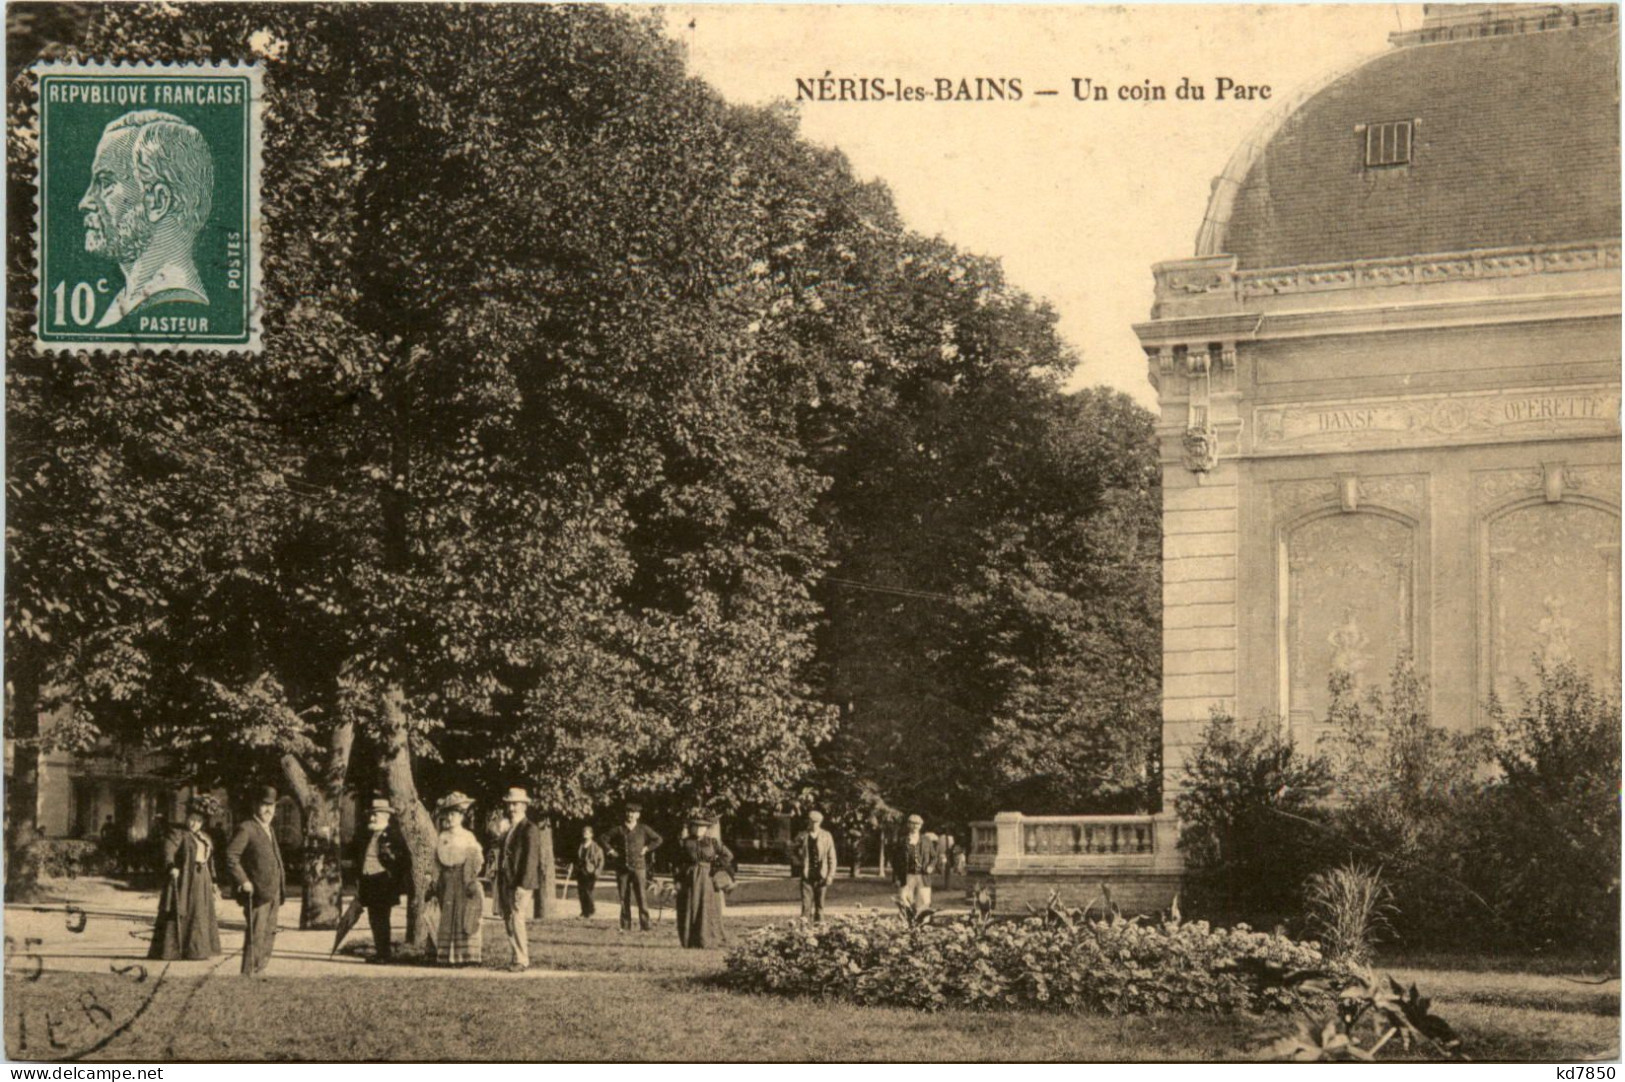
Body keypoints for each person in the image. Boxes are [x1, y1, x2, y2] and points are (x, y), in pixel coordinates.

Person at [77, 111, 214, 329]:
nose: (85, 203)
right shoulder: (127, 303)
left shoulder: (175, 303)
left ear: (157, 202)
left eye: (105, 183)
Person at [149, 796, 221, 960]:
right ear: (187, 818)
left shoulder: (204, 837)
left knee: (200, 913)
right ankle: (174, 950)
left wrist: (214, 881)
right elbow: (168, 850)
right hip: (185, 879)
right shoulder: (178, 833)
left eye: (198, 821)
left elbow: (210, 861)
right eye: (191, 819)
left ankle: (198, 950)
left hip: (202, 878)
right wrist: (171, 866)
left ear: (202, 823)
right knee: (183, 910)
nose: (193, 824)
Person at [225, 786, 285, 976]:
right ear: (255, 805)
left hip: (274, 889)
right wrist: (243, 881)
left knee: (270, 932)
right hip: (257, 891)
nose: (269, 810)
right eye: (264, 805)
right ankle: (248, 973)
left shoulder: (270, 829)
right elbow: (230, 856)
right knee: (256, 933)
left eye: (272, 806)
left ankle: (260, 970)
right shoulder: (247, 827)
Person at [351, 798, 409, 963]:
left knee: (382, 918)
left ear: (386, 816)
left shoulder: (393, 835)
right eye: (372, 815)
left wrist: (393, 879)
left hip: (383, 882)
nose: (372, 818)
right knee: (373, 918)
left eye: (376, 815)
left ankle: (384, 954)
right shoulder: (368, 835)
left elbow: (403, 861)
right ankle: (380, 952)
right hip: (369, 881)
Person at [430, 792, 485, 966]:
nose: (451, 817)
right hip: (446, 880)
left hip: (463, 878)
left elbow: (476, 857)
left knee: (464, 915)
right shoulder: (443, 836)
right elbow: (436, 860)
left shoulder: (468, 837)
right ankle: (447, 955)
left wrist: (470, 878)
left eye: (455, 814)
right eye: (448, 814)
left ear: (461, 816)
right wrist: (434, 879)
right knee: (447, 915)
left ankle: (466, 955)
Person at [494, 787, 542, 972]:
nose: (512, 808)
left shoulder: (529, 828)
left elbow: (531, 859)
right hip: (507, 879)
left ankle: (522, 959)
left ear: (524, 805)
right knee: (509, 918)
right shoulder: (510, 829)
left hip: (520, 882)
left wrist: (523, 885)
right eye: (509, 804)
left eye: (515, 804)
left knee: (517, 917)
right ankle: (515, 957)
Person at [600, 803, 663, 933]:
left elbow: (658, 839)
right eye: (628, 812)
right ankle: (625, 926)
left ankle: (645, 926)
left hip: (639, 867)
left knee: (641, 896)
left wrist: (647, 848)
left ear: (638, 815)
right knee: (624, 897)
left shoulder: (643, 829)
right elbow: (603, 838)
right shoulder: (619, 829)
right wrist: (610, 851)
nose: (630, 815)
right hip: (622, 868)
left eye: (633, 812)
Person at [673, 813, 732, 949]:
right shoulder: (685, 843)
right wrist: (677, 880)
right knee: (690, 906)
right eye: (696, 826)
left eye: (702, 827)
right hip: (690, 879)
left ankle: (709, 939)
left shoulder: (712, 842)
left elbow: (728, 855)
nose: (699, 829)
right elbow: (676, 863)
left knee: (708, 907)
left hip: (708, 879)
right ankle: (691, 940)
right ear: (691, 828)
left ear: (706, 829)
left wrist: (716, 866)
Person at [790, 809, 838, 921]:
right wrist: (797, 861)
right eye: (812, 822)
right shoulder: (803, 836)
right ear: (809, 822)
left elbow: (832, 858)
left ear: (820, 822)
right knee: (806, 905)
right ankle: (804, 931)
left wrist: (830, 875)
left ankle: (819, 929)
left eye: (816, 822)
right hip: (807, 876)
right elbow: (791, 850)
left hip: (822, 876)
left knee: (820, 906)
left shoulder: (826, 836)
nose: (814, 824)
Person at [887, 814, 941, 913]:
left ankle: (922, 922)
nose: (915, 826)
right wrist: (898, 876)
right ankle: (907, 922)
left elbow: (934, 857)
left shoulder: (926, 840)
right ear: (908, 825)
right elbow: (895, 860)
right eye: (912, 823)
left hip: (923, 875)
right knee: (905, 900)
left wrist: (931, 866)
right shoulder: (902, 841)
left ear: (921, 826)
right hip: (907, 874)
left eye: (917, 824)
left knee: (924, 900)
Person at [576, 826, 605, 919]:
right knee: (581, 891)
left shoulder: (596, 847)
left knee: (588, 891)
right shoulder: (580, 845)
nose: (585, 834)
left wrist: (597, 871)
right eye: (584, 832)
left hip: (590, 872)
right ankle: (584, 911)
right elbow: (576, 858)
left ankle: (590, 910)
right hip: (581, 871)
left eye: (587, 833)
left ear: (591, 835)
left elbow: (601, 860)